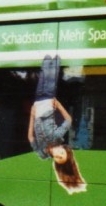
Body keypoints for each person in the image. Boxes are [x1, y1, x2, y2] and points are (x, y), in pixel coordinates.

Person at [28, 54, 86, 194]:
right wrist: (59, 105)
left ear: (55, 161)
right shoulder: (57, 136)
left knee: (43, 75)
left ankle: (48, 59)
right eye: (62, 153)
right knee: (50, 78)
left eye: (58, 157)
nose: (59, 152)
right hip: (48, 104)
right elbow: (69, 121)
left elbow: (30, 138)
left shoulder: (42, 154)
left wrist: (32, 114)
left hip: (37, 105)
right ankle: (55, 58)